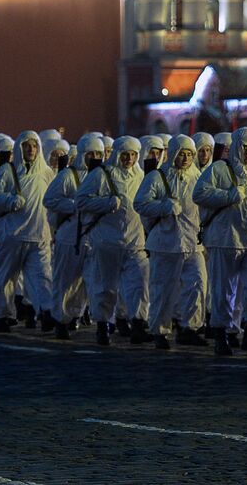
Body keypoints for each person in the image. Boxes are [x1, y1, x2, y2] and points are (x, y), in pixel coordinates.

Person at [193, 127, 247, 355]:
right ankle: (221, 334)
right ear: (236, 147)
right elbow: (199, 194)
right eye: (245, 147)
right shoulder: (219, 169)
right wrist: (228, 196)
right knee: (223, 290)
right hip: (225, 238)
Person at [136, 134, 207, 349]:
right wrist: (163, 207)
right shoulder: (158, 177)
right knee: (163, 289)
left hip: (193, 243)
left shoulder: (199, 177)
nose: (185, 158)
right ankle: (160, 330)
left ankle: (189, 327)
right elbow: (140, 203)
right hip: (166, 243)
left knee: (198, 283)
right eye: (181, 153)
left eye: (189, 154)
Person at [79, 136, 150, 345]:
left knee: (139, 283)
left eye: (133, 155)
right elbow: (82, 200)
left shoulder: (142, 177)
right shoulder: (102, 175)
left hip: (135, 241)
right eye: (125, 154)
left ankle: (138, 323)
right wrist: (107, 203)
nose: (128, 158)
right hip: (107, 241)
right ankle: (102, 325)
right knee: (106, 286)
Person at [0, 131, 54, 333]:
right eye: (26, 145)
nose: (30, 149)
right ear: (19, 148)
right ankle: (2, 315)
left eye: (34, 146)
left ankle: (46, 312)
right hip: (12, 235)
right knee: (6, 278)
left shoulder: (46, 173)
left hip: (39, 234)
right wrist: (9, 201)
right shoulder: (8, 171)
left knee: (42, 277)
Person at [43, 135, 101, 339]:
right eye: (91, 154)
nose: (94, 158)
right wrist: (75, 206)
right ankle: (60, 318)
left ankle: (74, 314)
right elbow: (49, 199)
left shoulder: (101, 176)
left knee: (84, 283)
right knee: (65, 279)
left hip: (91, 235)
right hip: (70, 235)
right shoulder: (68, 175)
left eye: (98, 154)